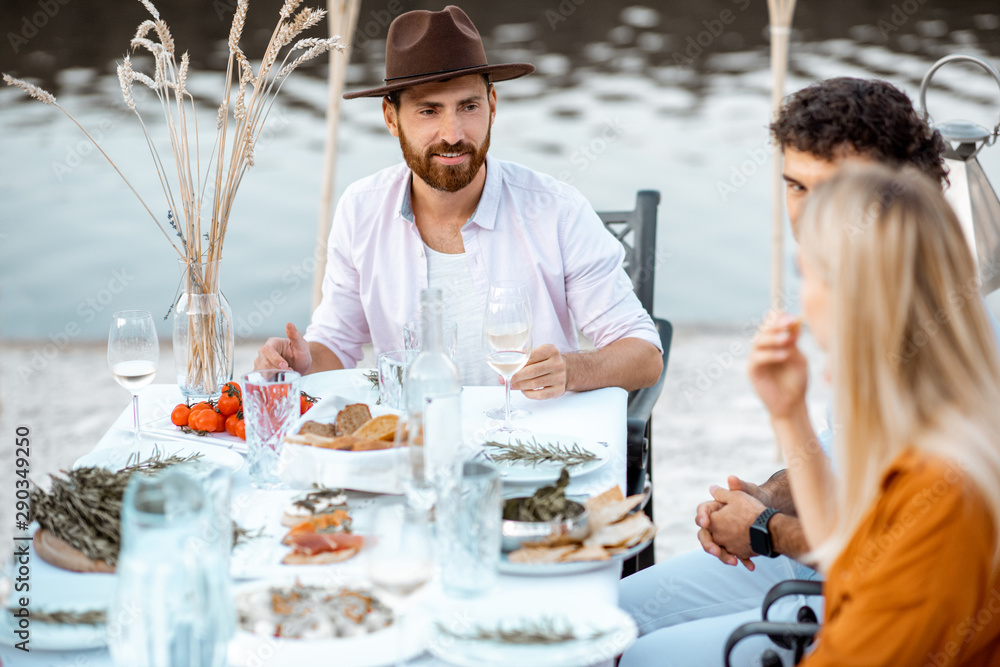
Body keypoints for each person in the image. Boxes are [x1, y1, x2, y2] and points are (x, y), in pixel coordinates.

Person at [619, 77, 958, 664]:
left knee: (644, 656)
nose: (807, 216)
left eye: (834, 191)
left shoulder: (941, 342)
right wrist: (765, 495)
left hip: (871, 606)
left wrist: (765, 529)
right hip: (812, 552)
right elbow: (837, 452)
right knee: (609, 615)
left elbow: (891, 562)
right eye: (796, 187)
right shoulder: (856, 291)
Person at [253, 5, 662, 395]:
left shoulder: (557, 209)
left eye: (468, 106)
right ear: (391, 118)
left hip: (530, 444)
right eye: (429, 111)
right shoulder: (361, 209)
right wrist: (304, 361)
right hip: (413, 440)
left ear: (493, 106)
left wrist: (573, 370)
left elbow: (644, 355)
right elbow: (336, 347)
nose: (452, 133)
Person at [760, 164, 1000, 663]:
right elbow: (849, 555)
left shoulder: (942, 492)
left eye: (808, 276)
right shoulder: (940, 420)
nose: (801, 300)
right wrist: (789, 413)